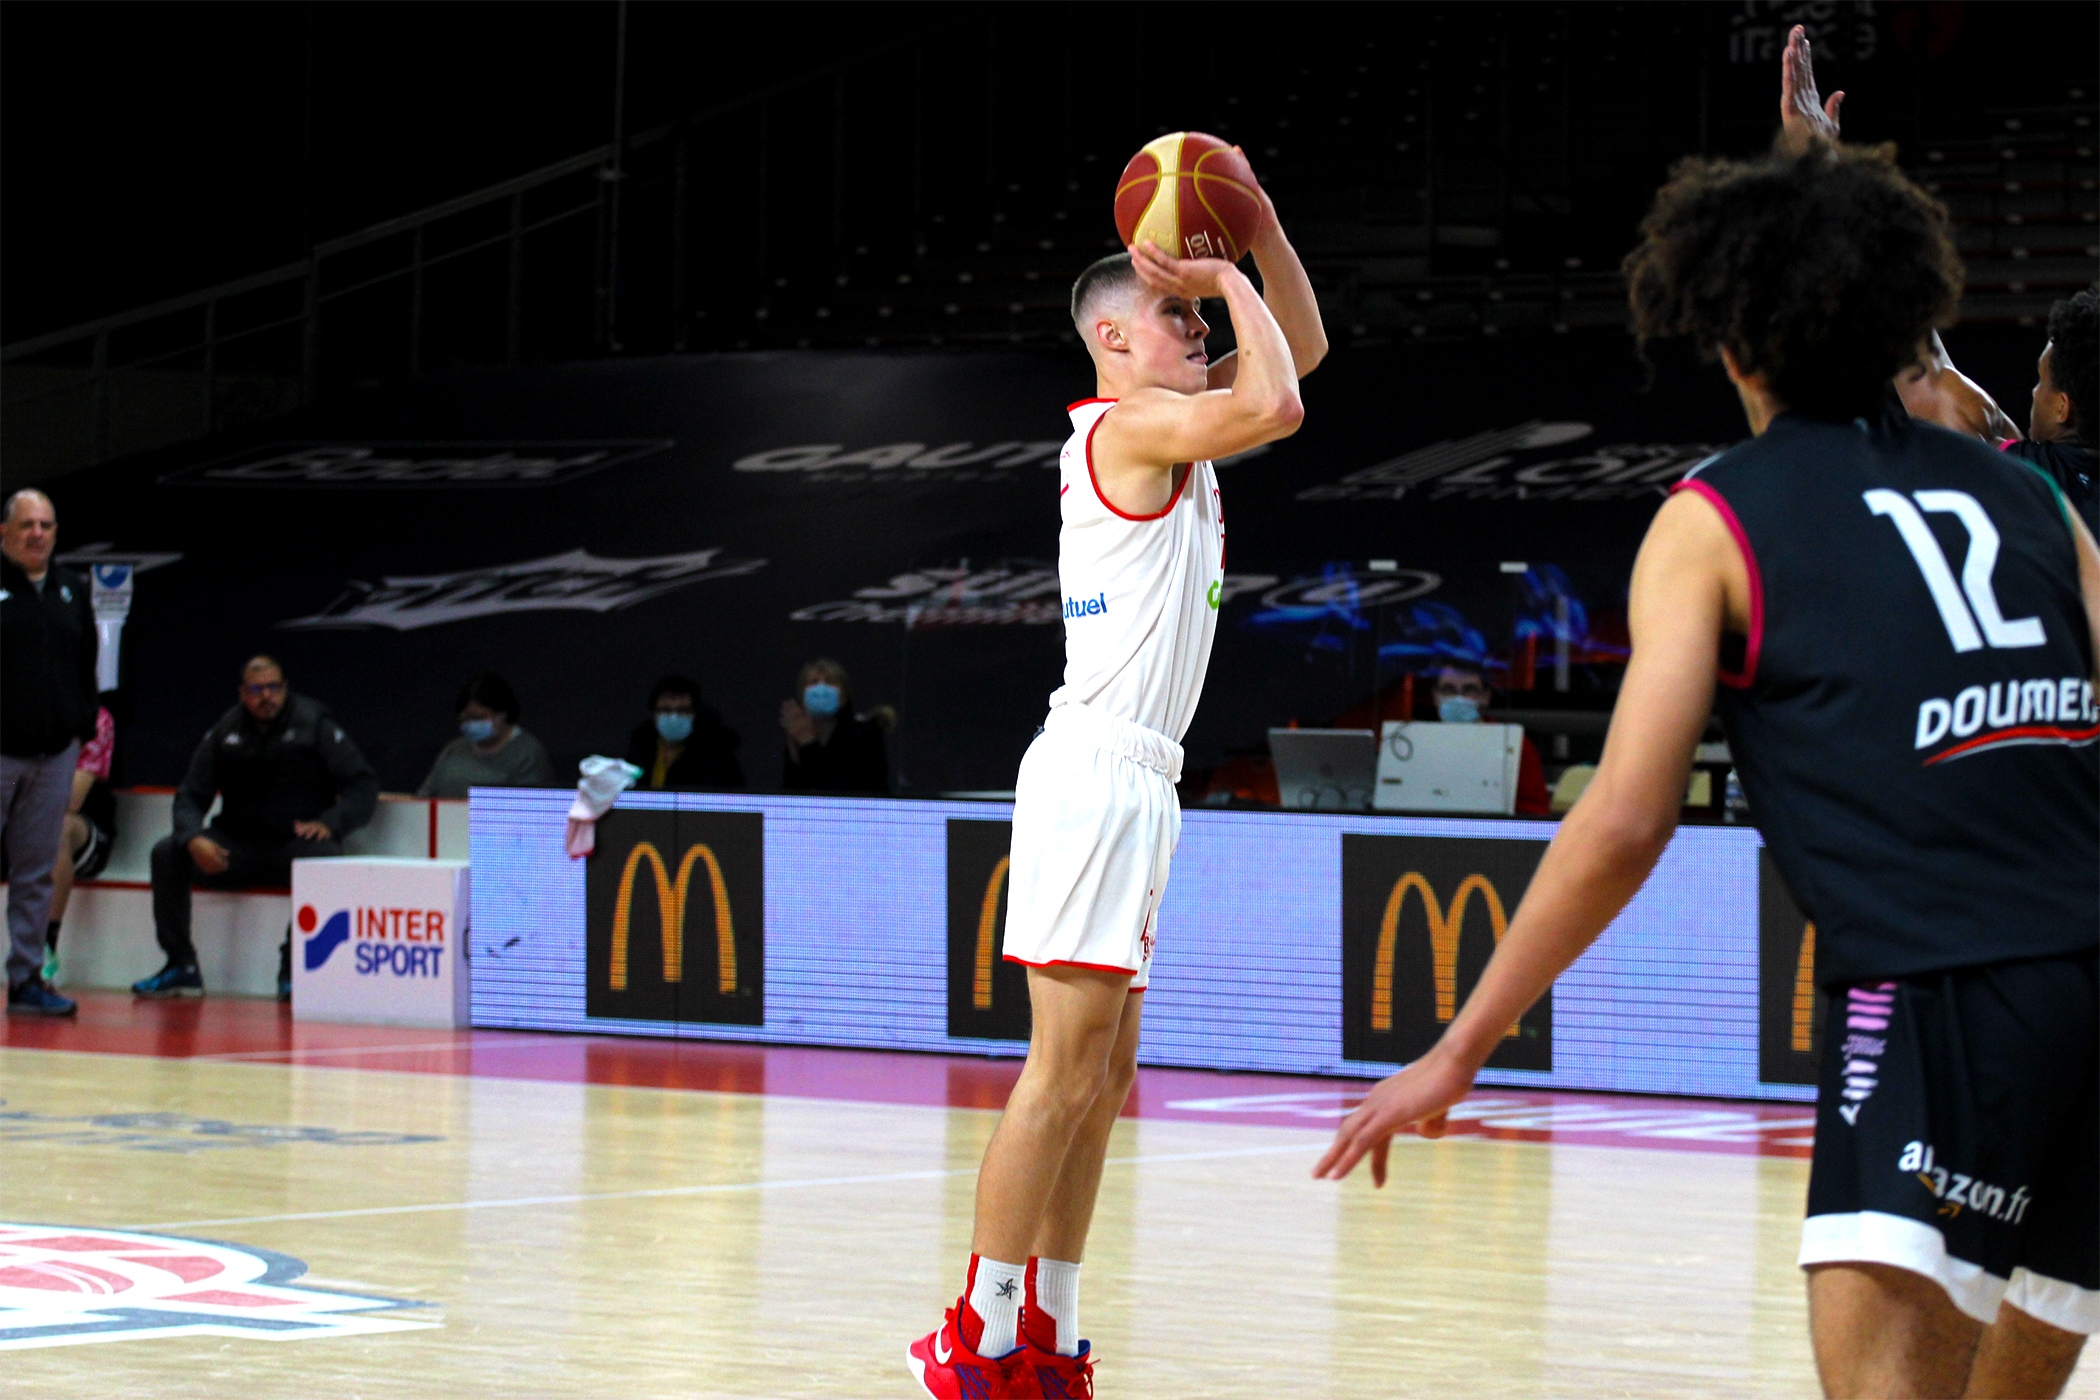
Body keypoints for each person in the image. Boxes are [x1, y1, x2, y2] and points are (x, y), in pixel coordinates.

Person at [1317, 28, 2097, 1399]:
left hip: (1940, 987)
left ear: (1729, 340)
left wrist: (1457, 1046)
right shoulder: (2028, 492)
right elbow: (1924, 378)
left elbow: (1624, 819)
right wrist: (1824, 185)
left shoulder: (1717, 514)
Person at [907, 162, 1326, 1398]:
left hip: (1144, 777)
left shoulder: (1181, 431)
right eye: (1174, 316)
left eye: (1199, 316)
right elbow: (1285, 404)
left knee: (1106, 1075)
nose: (1197, 325)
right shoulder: (1129, 425)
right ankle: (974, 1337)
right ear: (1110, 337)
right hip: (1094, 769)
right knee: (1060, 1068)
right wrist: (1219, 268)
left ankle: (1051, 1327)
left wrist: (1257, 233)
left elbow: (1294, 350)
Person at [135, 655, 379, 1001]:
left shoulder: (315, 723)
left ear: (285, 688)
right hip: (235, 847)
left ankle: (293, 968)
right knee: (167, 852)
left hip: (294, 845)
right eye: (256, 689)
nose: (266, 696)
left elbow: (363, 785)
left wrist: (331, 822)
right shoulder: (226, 730)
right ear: (241, 694)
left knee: (326, 858)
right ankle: (181, 966)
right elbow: (191, 794)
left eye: (273, 687)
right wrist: (193, 837)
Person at [0, 488, 94, 1017]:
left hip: (53, 755)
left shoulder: (69, 591)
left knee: (36, 870)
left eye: (46, 525)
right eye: (27, 524)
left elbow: (87, 665)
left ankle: (27, 979)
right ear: (5, 532)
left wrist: (77, 729)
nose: (38, 534)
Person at [44, 704, 117, 986]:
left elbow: (70, 800)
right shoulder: (17, 711)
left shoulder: (95, 718)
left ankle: (46, 948)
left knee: (56, 826)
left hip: (85, 831)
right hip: (21, 823)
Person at [1428, 659, 1551, 817]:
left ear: (1486, 696)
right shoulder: (1413, 745)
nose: (1459, 698)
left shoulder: (1515, 745)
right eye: (1448, 690)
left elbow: (1536, 816)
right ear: (1434, 696)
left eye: (1469, 690)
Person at [416, 671, 558, 798]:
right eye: (466, 718)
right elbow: (424, 796)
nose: (471, 724)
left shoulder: (527, 754)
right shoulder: (454, 749)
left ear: (502, 714)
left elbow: (528, 809)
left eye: (478, 718)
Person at [778, 658, 888, 794]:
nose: (821, 688)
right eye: (813, 682)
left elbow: (840, 791)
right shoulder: (798, 734)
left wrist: (809, 745)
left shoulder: (865, 735)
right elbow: (790, 794)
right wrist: (795, 752)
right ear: (802, 694)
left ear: (844, 693)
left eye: (830, 681)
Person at [623, 674, 743, 792]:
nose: (673, 717)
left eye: (682, 711)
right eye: (665, 710)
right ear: (653, 714)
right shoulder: (639, 752)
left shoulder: (716, 757)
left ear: (694, 714)